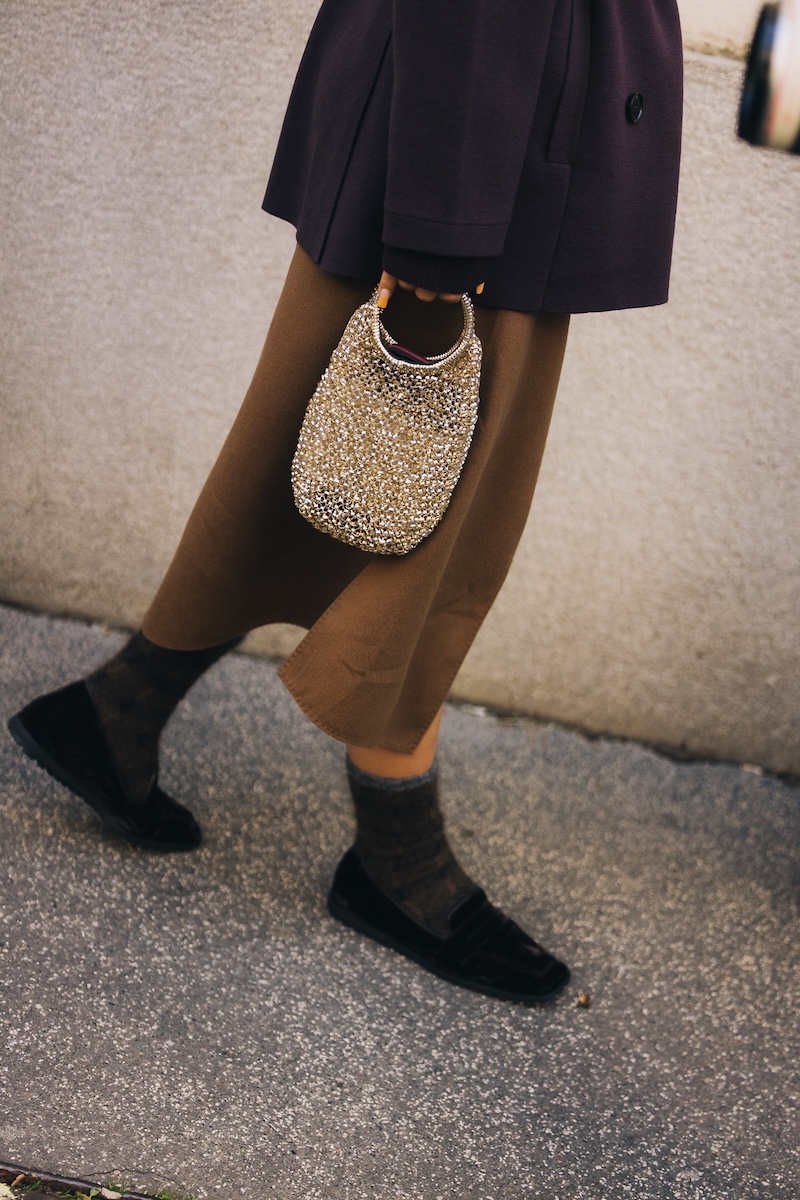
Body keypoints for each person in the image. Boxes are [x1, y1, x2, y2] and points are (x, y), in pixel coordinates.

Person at [8, 0, 683, 1005]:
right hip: (482, 154)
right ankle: (397, 859)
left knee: (313, 457)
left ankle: (119, 710)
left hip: (479, 140)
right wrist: (440, 240)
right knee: (437, 522)